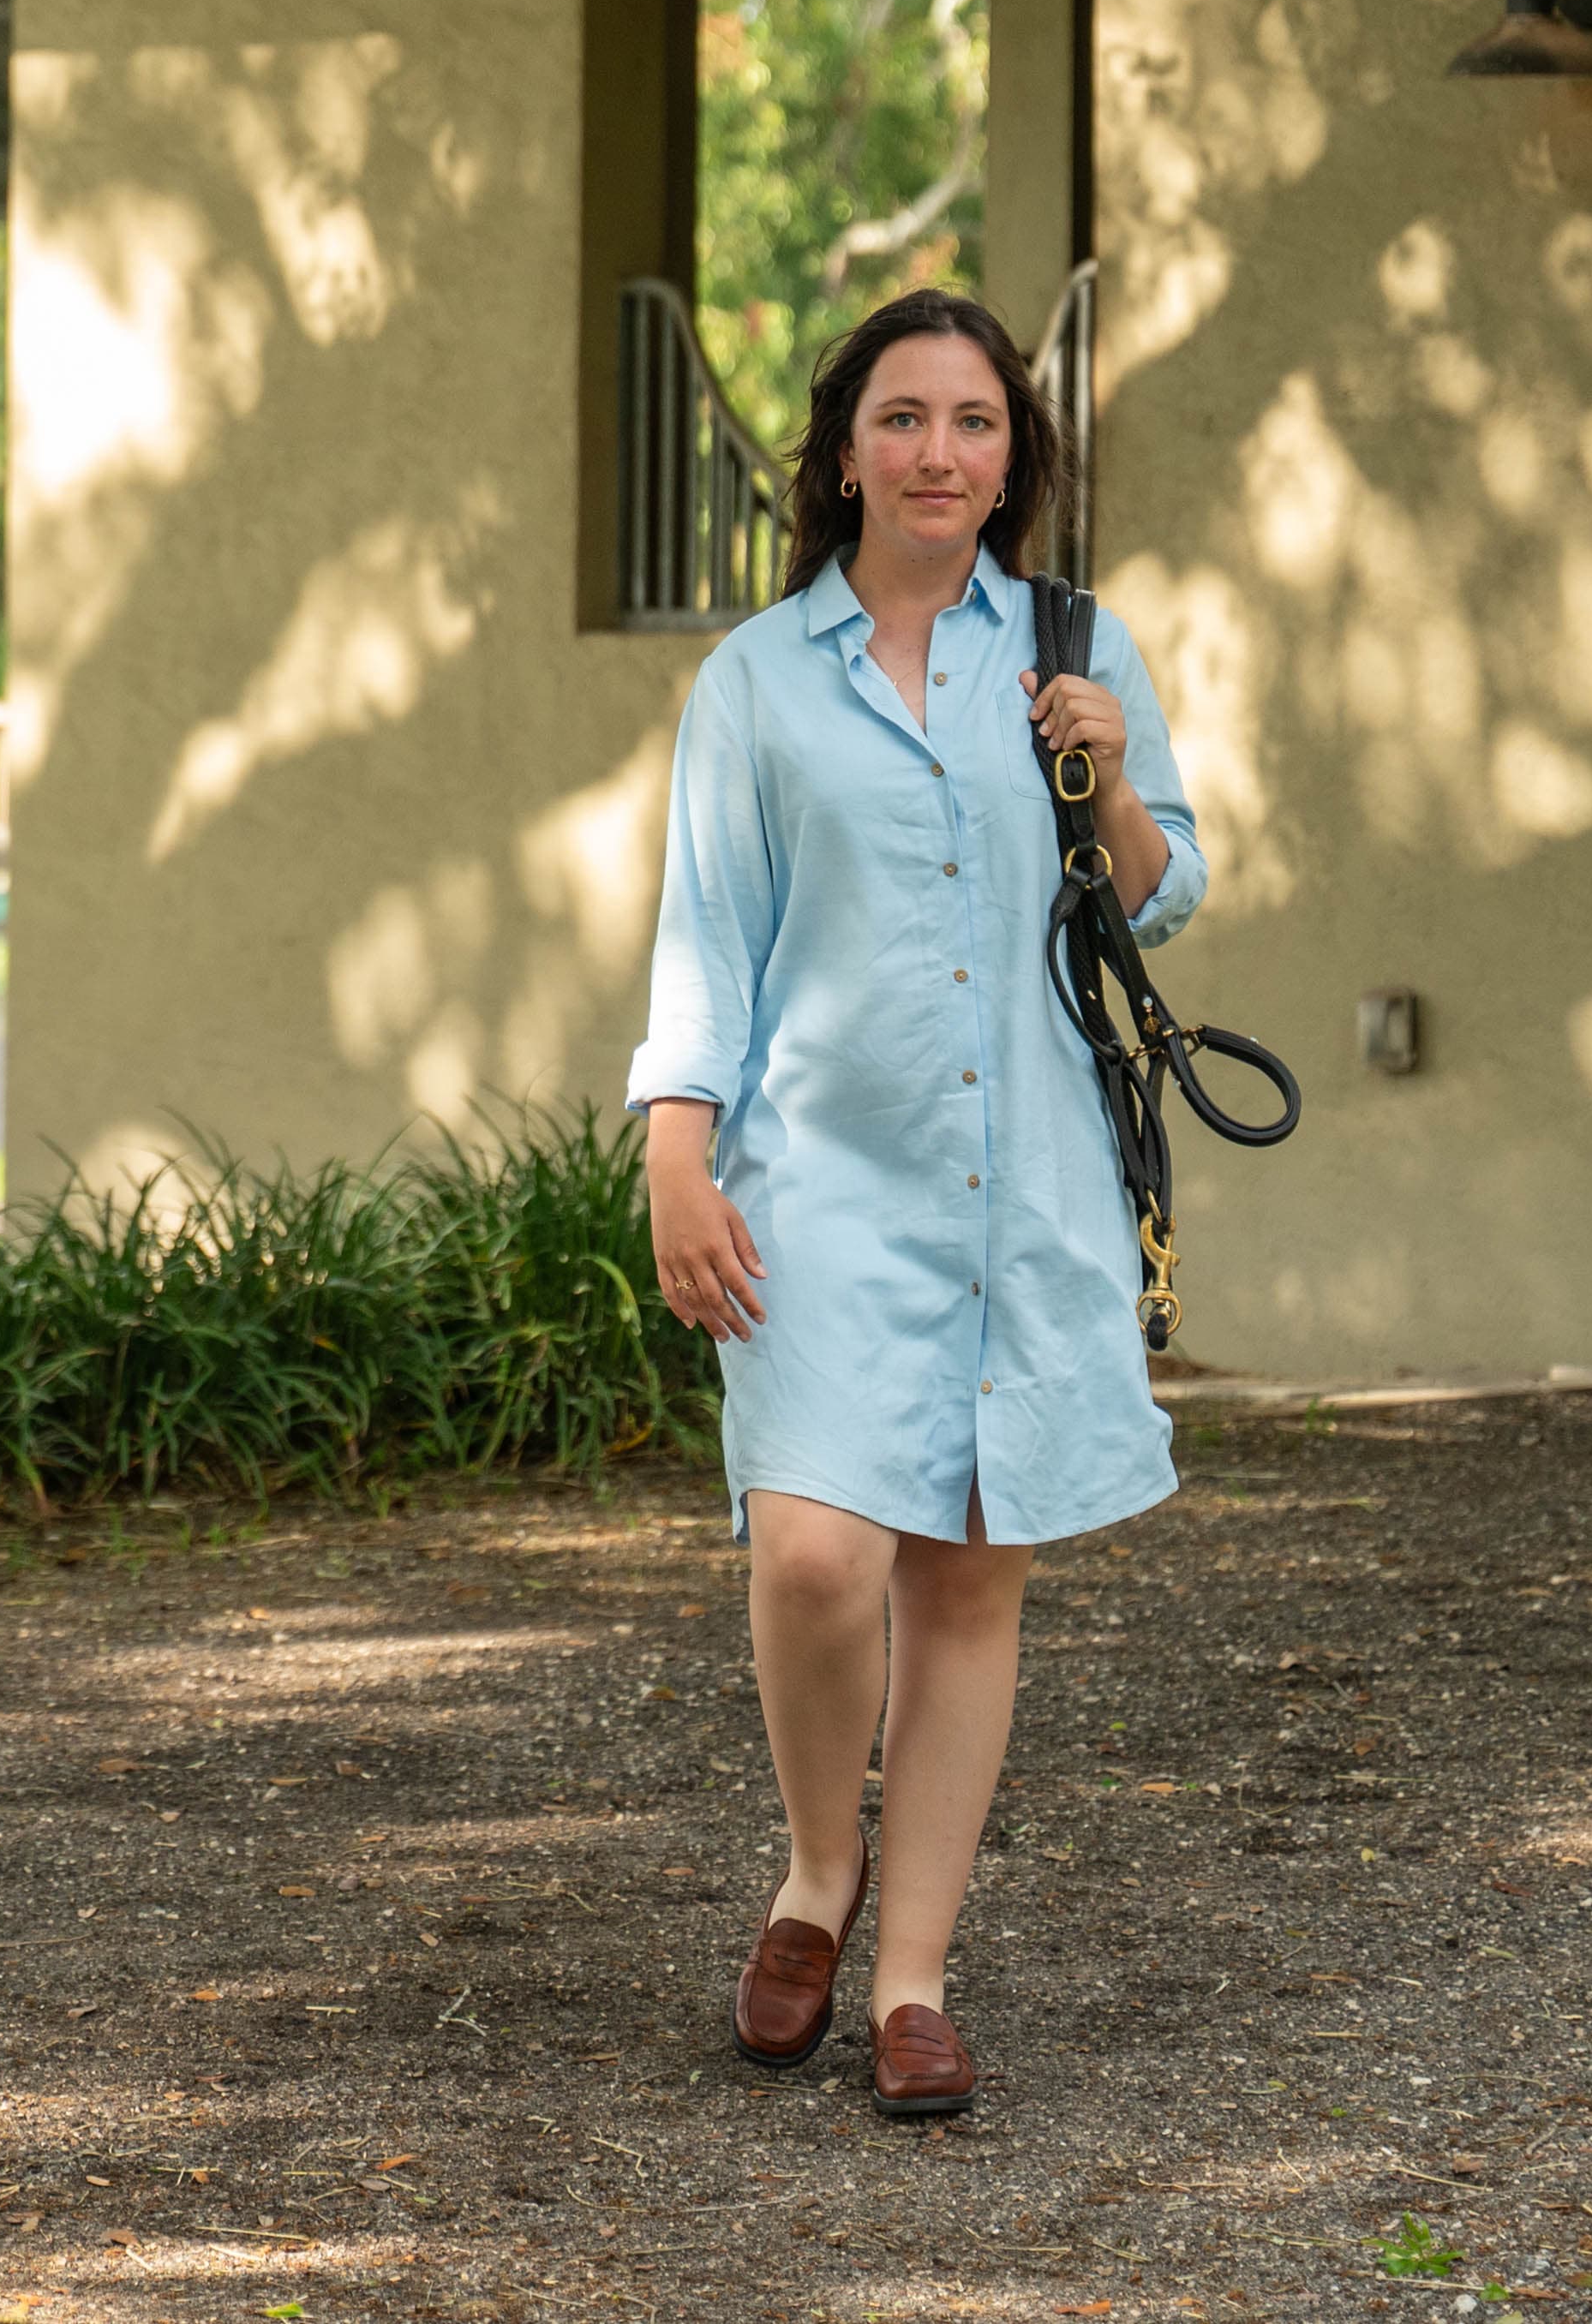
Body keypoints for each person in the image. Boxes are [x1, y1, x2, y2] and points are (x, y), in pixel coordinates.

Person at [627, 286, 1204, 2118]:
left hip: (1019, 1183)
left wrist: (1105, 770)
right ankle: (817, 1861)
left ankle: (913, 1978)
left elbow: (1162, 893)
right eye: (904, 416)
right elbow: (707, 935)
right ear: (845, 446)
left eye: (974, 420)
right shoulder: (754, 679)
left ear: (1013, 452)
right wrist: (674, 1151)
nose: (940, 450)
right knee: (812, 1554)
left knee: (968, 1581)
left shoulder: (1071, 646)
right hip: (821, 1181)